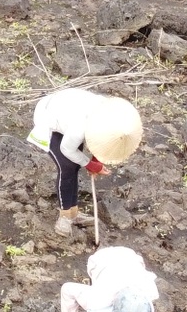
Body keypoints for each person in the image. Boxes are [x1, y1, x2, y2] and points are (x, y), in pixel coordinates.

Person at [27, 87, 143, 235]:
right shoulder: (80, 128)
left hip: (67, 114)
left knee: (75, 166)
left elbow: (102, 141)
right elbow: (67, 149)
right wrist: (90, 164)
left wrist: (96, 160)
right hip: (48, 116)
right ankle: (65, 216)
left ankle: (73, 213)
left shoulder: (111, 113)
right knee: (67, 167)